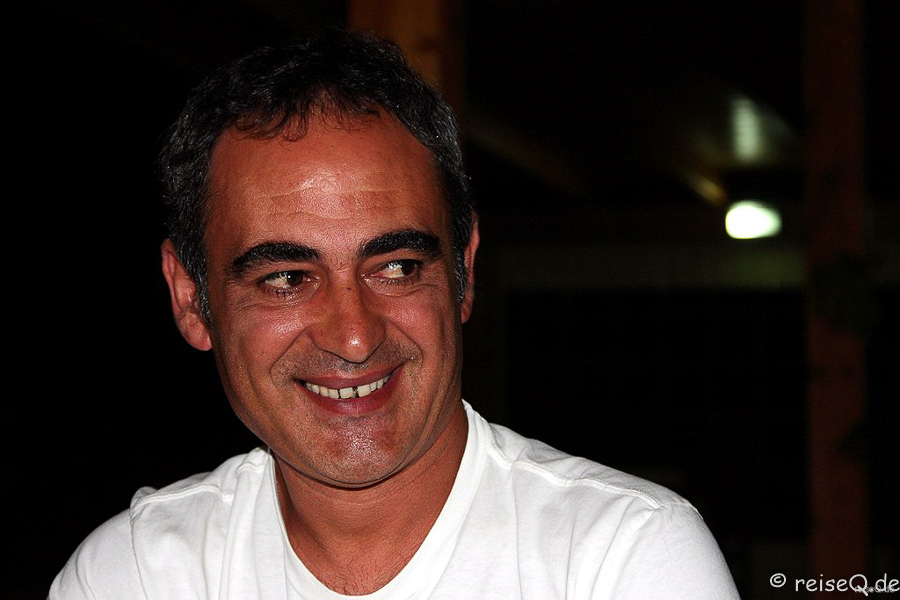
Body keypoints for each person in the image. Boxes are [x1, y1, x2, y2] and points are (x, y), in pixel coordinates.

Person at [50, 29, 739, 599]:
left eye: (398, 267)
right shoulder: (135, 575)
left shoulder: (623, 559)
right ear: (190, 299)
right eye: (287, 279)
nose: (354, 336)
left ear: (463, 273)